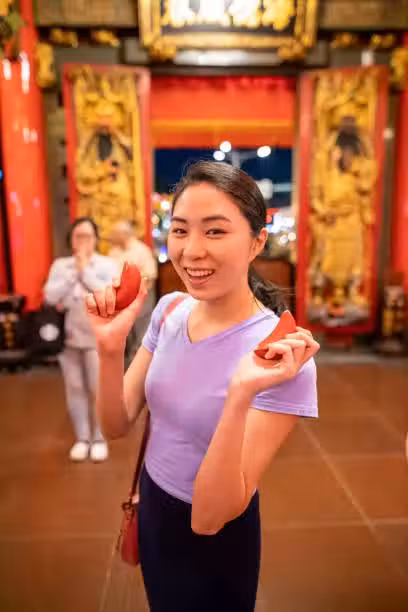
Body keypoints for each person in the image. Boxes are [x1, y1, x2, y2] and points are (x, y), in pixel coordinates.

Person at [86, 162, 320, 612]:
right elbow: (115, 426)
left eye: (215, 231)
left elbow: (209, 518)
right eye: (180, 230)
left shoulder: (278, 357)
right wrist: (110, 350)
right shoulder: (170, 310)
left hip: (219, 537)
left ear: (256, 242)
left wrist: (239, 395)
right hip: (152, 503)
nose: (191, 251)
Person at [44, 217, 118, 462]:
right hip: (67, 337)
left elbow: (109, 296)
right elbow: (49, 296)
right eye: (78, 236)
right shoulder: (61, 265)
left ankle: (99, 438)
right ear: (71, 239)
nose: (83, 241)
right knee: (74, 388)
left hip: (96, 337)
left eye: (87, 236)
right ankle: (82, 438)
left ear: (96, 239)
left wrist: (85, 270)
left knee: (97, 389)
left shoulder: (107, 265)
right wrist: (73, 273)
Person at [108, 220, 158, 365]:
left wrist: (137, 295)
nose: (111, 236)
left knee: (141, 333)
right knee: (125, 333)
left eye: (115, 234)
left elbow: (150, 276)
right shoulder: (113, 252)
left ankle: (140, 366)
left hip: (140, 297)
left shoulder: (141, 250)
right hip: (119, 299)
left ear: (124, 234)